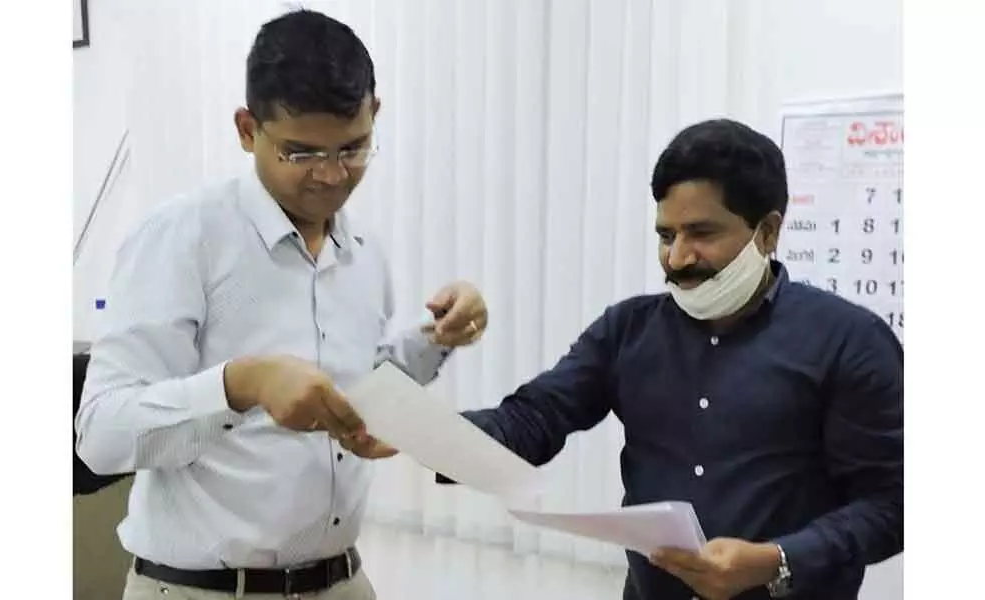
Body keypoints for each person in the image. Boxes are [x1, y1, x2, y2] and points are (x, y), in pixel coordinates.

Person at [345, 119, 903, 600]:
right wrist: (423, 434)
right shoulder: (629, 330)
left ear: (769, 230)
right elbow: (534, 419)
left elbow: (893, 504)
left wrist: (778, 560)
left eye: (702, 234)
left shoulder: (850, 342)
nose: (678, 257)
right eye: (666, 234)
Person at [75, 9, 487, 600]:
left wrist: (438, 338)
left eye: (354, 148)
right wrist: (239, 384)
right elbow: (101, 435)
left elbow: (360, 392)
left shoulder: (364, 252)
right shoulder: (182, 238)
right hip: (206, 589)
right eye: (301, 153)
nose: (330, 175)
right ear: (247, 130)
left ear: (376, 118)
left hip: (342, 579)